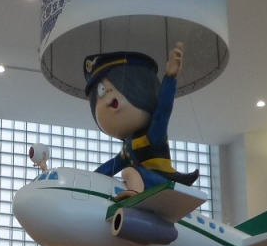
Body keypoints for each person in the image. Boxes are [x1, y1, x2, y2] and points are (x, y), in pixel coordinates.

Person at [85, 42, 198, 198]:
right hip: (148, 181)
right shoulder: (128, 148)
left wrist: (170, 79)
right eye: (102, 91)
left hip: (162, 181)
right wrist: (88, 179)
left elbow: (163, 111)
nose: (108, 92)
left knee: (129, 172)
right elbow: (110, 167)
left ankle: (135, 194)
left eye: (121, 85)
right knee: (129, 173)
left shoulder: (153, 136)